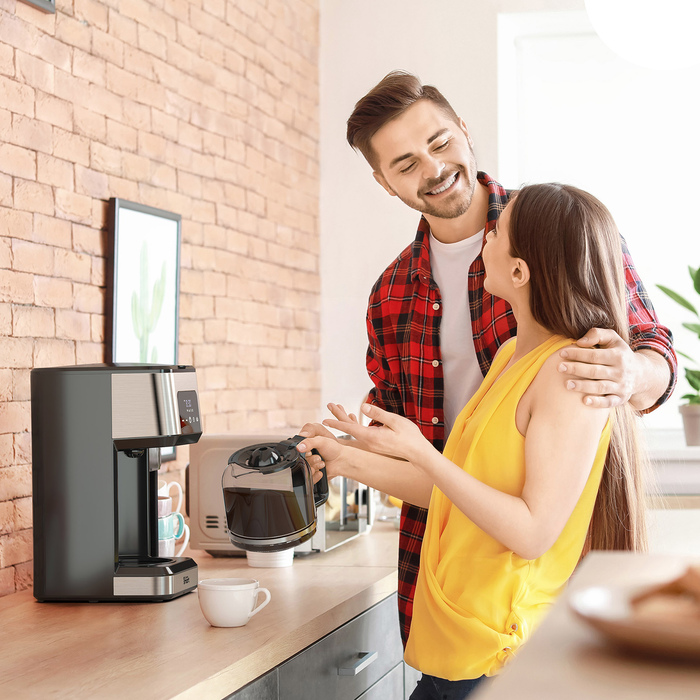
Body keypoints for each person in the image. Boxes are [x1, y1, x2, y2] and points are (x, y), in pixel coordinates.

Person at [340, 70, 676, 646]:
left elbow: (657, 358)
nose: (434, 168)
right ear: (383, 182)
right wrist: (347, 452)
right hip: (454, 580)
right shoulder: (391, 293)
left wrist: (632, 372)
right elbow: (406, 447)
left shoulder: (556, 230)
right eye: (406, 164)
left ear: (465, 132)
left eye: (440, 142)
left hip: (561, 575)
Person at [298, 183, 650, 698]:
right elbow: (461, 496)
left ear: (519, 272)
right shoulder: (510, 355)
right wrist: (345, 459)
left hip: (500, 660)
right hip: (457, 656)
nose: (484, 239)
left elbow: (531, 533)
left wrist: (422, 451)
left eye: (497, 233)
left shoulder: (567, 375)